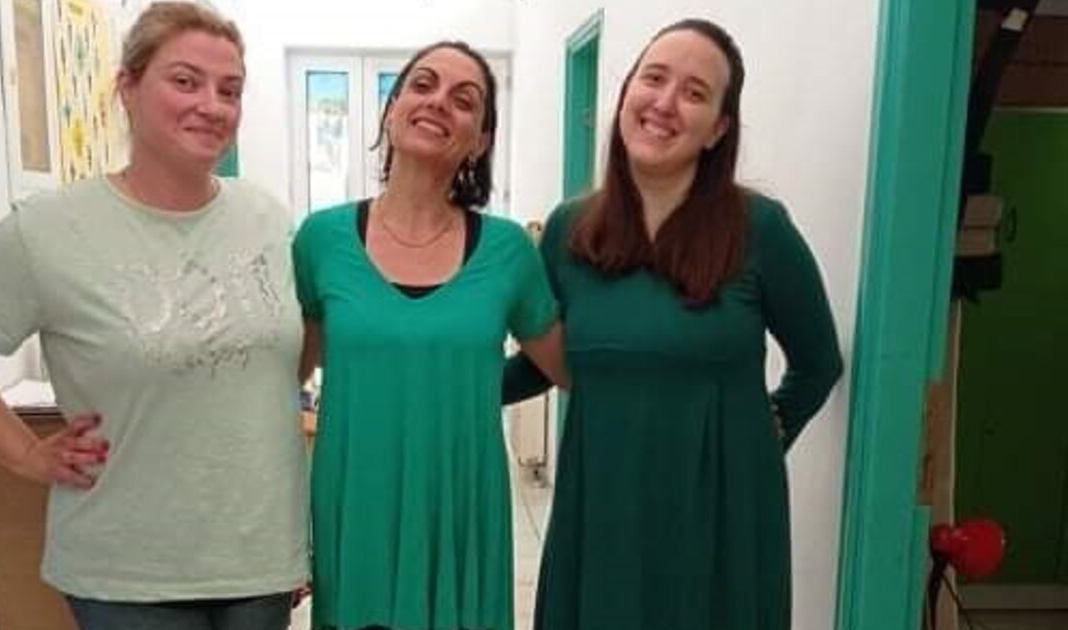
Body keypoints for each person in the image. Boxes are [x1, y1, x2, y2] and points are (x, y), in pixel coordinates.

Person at [0, 3, 307, 629]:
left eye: (230, 90)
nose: (212, 105)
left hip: (259, 559)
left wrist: (299, 538)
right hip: (127, 570)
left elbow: (283, 366)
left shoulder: (267, 219)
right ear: (128, 88)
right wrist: (24, 454)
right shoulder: (51, 229)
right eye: (185, 81)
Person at [503, 18, 844, 630]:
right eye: (653, 78)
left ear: (718, 129)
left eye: (694, 92)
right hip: (603, 503)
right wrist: (442, 378)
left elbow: (819, 362)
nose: (664, 103)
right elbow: (543, 362)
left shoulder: (760, 229)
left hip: (721, 513)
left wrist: (764, 434)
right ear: (625, 94)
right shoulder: (570, 230)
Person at [293, 41, 567, 630]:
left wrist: (469, 384)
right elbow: (281, 378)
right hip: (357, 509)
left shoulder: (507, 250)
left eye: (463, 100)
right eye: (422, 85)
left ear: (481, 140)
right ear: (391, 109)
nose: (438, 101)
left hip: (458, 512)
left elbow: (565, 367)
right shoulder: (320, 240)